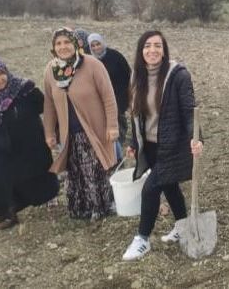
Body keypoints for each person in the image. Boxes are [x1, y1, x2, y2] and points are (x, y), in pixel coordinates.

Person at [123, 31, 203, 261]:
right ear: (141, 51)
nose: (153, 50)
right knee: (169, 186)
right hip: (149, 145)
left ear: (164, 50)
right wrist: (132, 142)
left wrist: (197, 139)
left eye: (158, 45)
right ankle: (182, 225)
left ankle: (142, 239)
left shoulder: (178, 76)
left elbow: (189, 112)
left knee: (150, 189)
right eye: (147, 46)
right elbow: (136, 114)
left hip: (173, 146)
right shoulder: (136, 77)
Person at [0, 56, 59, 230]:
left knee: (33, 172)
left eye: (1, 74)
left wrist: (51, 132)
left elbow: (44, 107)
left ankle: (45, 198)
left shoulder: (25, 89)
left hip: (28, 140)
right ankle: (4, 213)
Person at [43, 27, 118, 220]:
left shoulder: (92, 64)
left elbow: (108, 97)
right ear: (53, 47)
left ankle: (100, 207)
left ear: (76, 44)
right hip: (68, 133)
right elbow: (49, 104)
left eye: (67, 42)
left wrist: (112, 126)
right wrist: (49, 132)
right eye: (58, 43)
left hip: (94, 129)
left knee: (94, 170)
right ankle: (81, 208)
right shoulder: (51, 70)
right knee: (75, 172)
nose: (63, 47)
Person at [87, 33, 132, 153]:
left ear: (103, 43)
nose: (96, 48)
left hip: (119, 94)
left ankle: (120, 139)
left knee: (118, 117)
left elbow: (128, 73)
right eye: (93, 46)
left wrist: (128, 93)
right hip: (99, 97)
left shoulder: (115, 56)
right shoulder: (89, 60)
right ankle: (109, 143)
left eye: (98, 44)